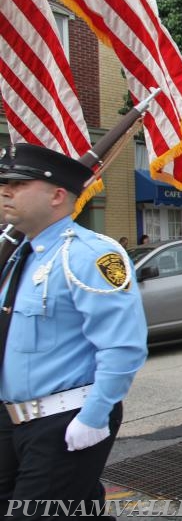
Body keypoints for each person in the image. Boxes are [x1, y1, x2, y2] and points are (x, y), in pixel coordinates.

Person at [0, 143, 148, 518]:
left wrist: (94, 416)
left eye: (19, 183)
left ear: (57, 195)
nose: (5, 190)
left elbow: (122, 347)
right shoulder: (17, 255)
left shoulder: (90, 255)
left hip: (63, 419)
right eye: (5, 182)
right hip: (12, 418)